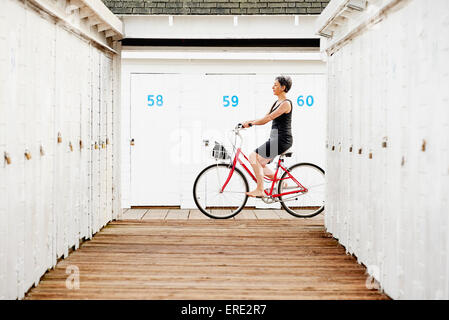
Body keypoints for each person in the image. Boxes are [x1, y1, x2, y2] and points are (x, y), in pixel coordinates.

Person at [242, 75, 293, 198]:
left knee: (253, 157)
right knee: (259, 162)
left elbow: (268, 119)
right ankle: (282, 182)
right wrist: (249, 122)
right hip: (275, 139)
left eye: (275, 85)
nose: (272, 87)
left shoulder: (286, 104)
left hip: (282, 140)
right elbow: (265, 116)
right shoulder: (276, 102)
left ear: (283, 87)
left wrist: (251, 123)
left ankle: (260, 189)